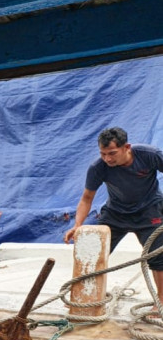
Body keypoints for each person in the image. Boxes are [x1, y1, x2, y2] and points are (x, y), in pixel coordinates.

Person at [65, 127, 163, 302]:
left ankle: (161, 301)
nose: (107, 159)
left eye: (112, 153)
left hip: (149, 211)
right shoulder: (98, 167)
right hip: (115, 213)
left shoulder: (149, 155)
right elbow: (86, 198)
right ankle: (84, 299)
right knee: (93, 253)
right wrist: (77, 225)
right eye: (103, 154)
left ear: (127, 147)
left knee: (158, 257)